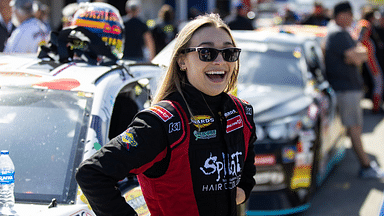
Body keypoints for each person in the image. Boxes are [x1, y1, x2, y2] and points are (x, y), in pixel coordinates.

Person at [76, 13, 257, 216]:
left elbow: (246, 176)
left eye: (228, 53)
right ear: (182, 61)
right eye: (207, 53)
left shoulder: (241, 113)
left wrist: (231, 195)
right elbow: (92, 173)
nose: (220, 61)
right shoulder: (161, 122)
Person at [324, 1, 384, 179]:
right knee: (354, 129)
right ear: (342, 15)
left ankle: (366, 165)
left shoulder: (339, 32)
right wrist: (360, 52)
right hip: (346, 89)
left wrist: (360, 52)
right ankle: (366, 166)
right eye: (349, 14)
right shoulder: (338, 33)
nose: (351, 18)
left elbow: (361, 54)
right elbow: (357, 57)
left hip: (347, 89)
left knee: (355, 128)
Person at [356, 6, 384, 113]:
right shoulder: (365, 24)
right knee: (379, 82)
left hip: (367, 57)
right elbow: (359, 39)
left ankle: (376, 105)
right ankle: (376, 107)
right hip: (368, 59)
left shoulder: (364, 24)